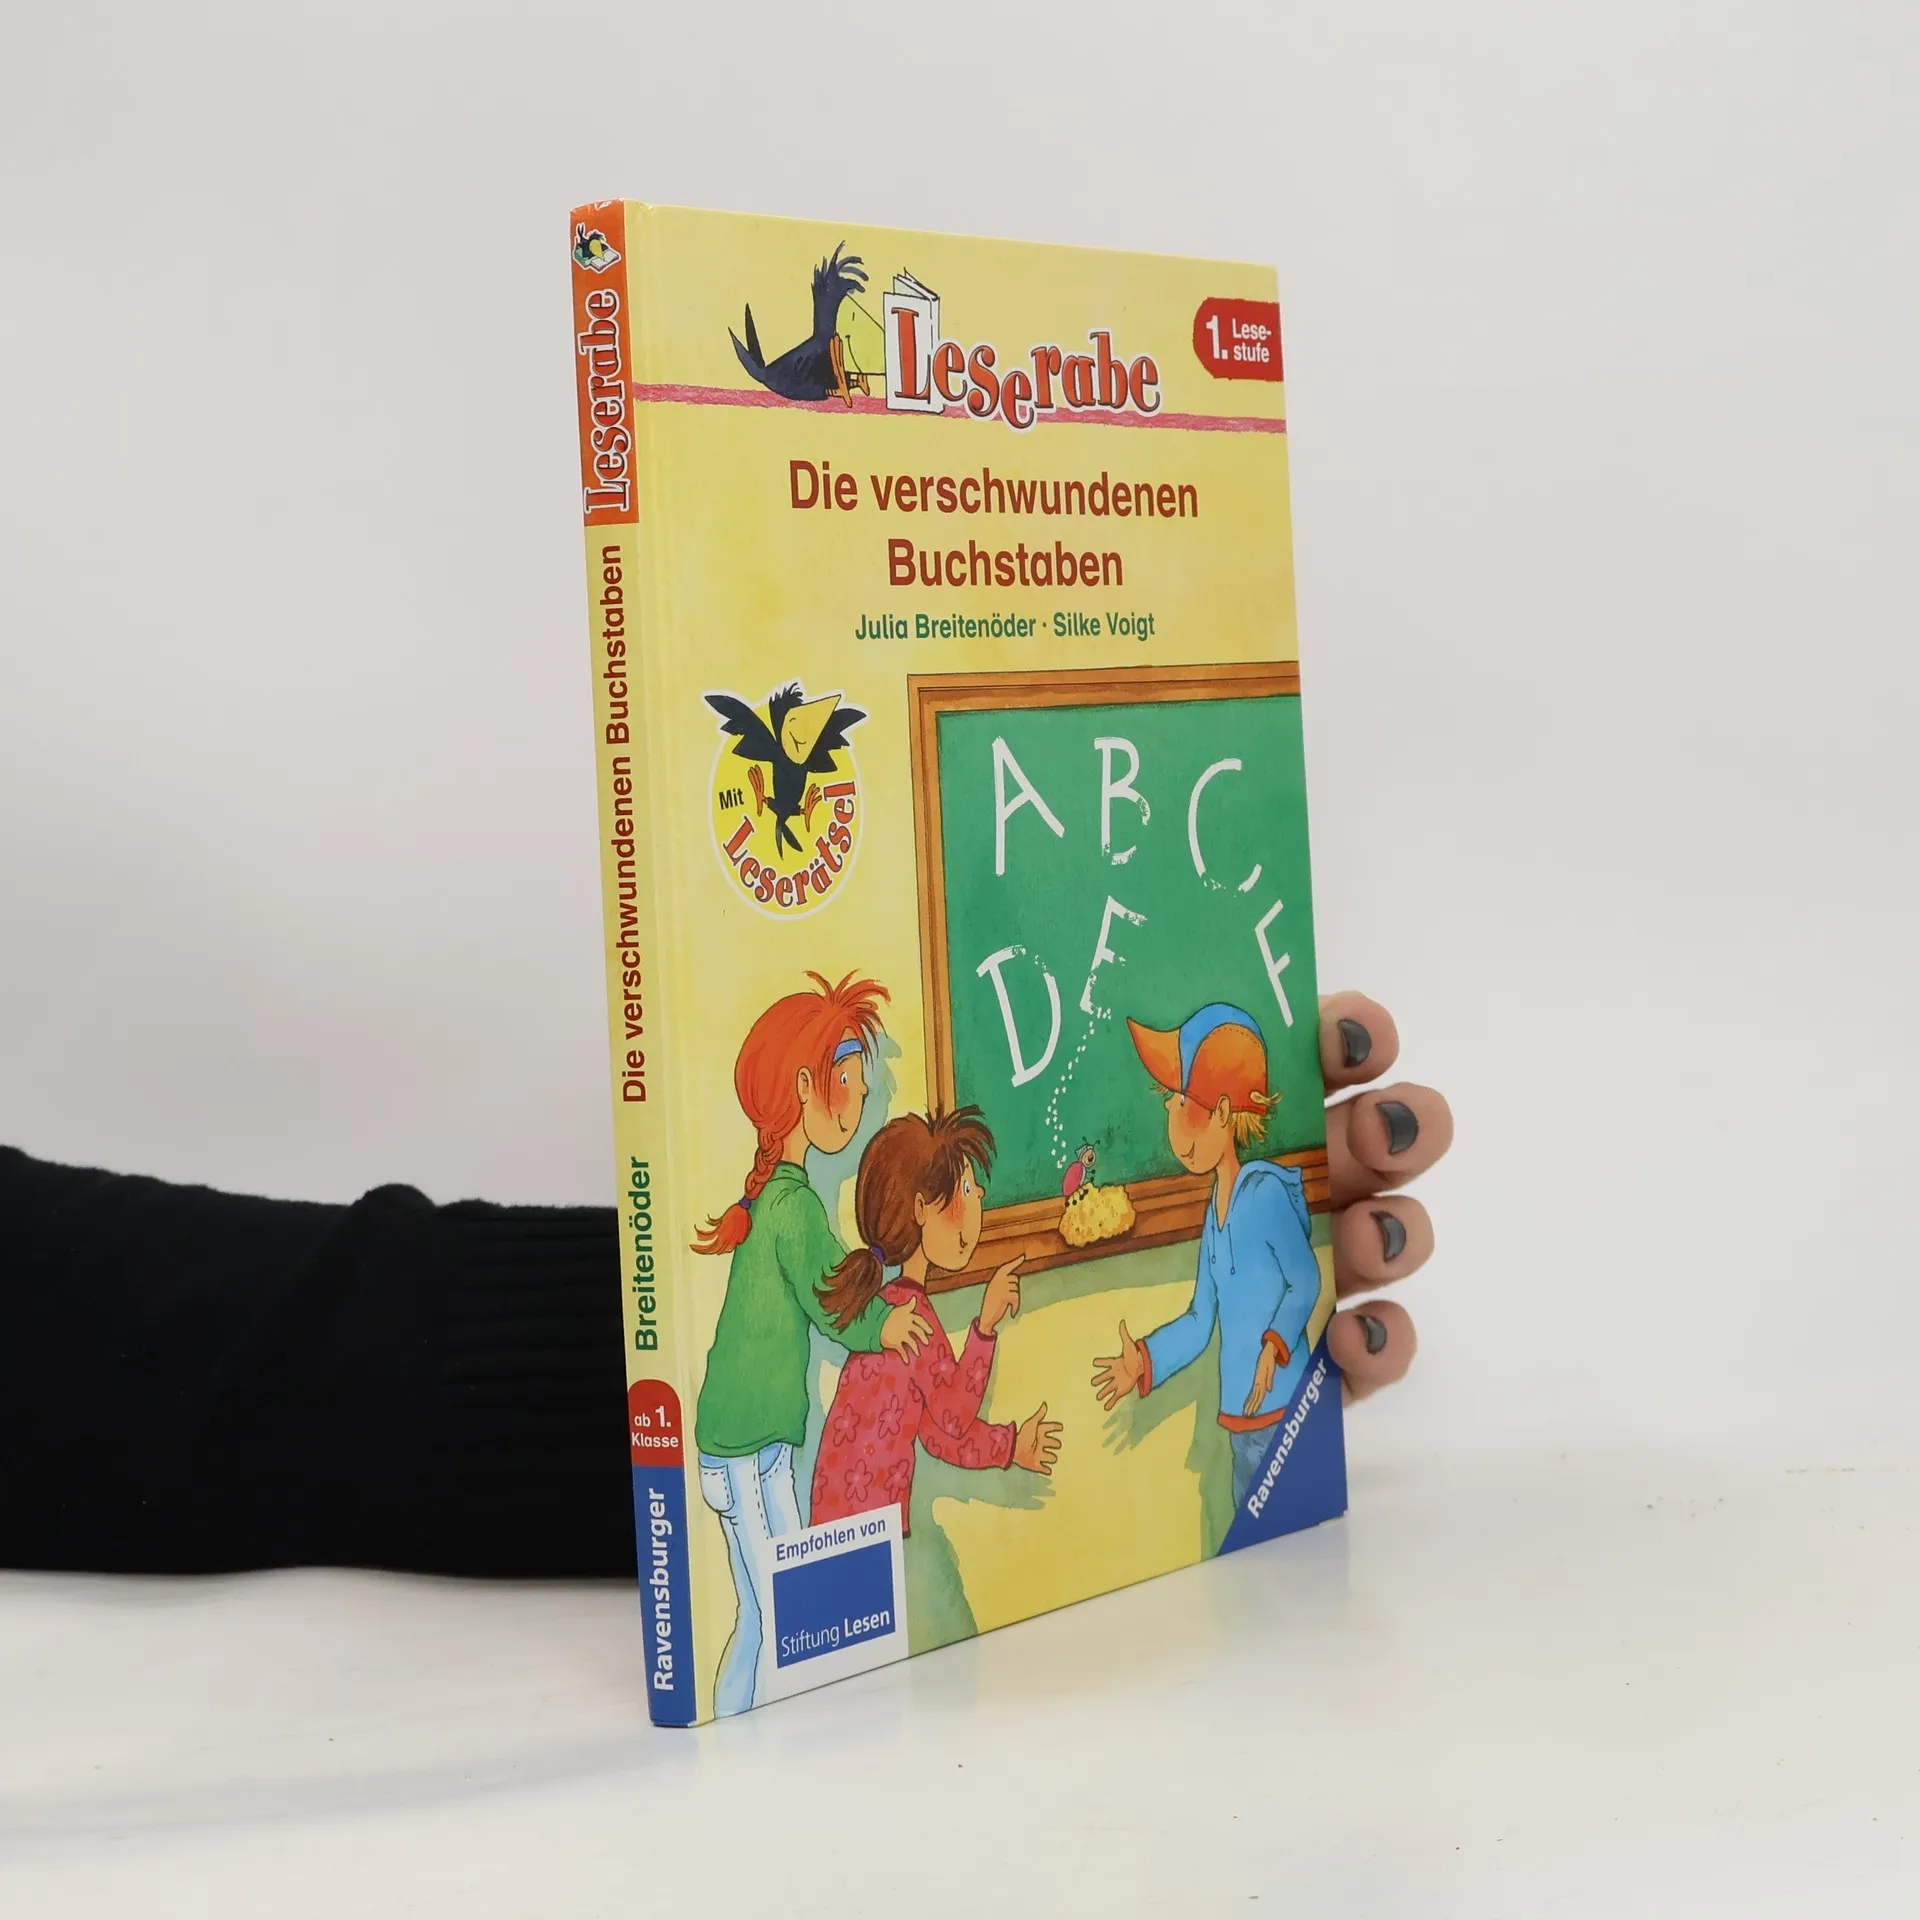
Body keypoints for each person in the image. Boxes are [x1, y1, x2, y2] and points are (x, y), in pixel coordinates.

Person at [0, 992, 1447, 1577]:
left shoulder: (837, 1248)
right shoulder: (836, 1252)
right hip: (829, 1510)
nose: (861, 1088)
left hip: (843, 1478)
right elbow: (911, 1387)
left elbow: (245, 1348)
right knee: (779, 1593)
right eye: (845, 1073)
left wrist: (640, 1353)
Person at [690, 970, 934, 1715]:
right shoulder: (789, 1206)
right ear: (804, 1087)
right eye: (847, 1082)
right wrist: (884, 1324)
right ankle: (763, 1730)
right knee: (783, 1614)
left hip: (756, 1445)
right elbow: (831, 1297)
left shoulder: (778, 1198)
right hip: (742, 1446)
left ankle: (734, 1720)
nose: (858, 1101)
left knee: (769, 1614)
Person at [1093, 1001, 1415, 1510]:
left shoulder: (1264, 1194)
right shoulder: (1214, 1213)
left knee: (1297, 1528)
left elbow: (1304, 1280)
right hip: (1241, 1422)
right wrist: (1146, 1358)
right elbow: (1200, 1319)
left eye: (1182, 1102)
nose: (1170, 1115)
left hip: (1285, 1414)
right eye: (1171, 1102)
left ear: (1222, 1111)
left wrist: (1271, 1349)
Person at [811, 1107, 1061, 1535]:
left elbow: (939, 1434)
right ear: (921, 1209)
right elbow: (954, 1417)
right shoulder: (910, 1319)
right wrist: (985, 1326)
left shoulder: (896, 1306)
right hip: (863, 1523)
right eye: (964, 1187)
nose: (978, 1194)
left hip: (847, 1518)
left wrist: (1010, 1446)